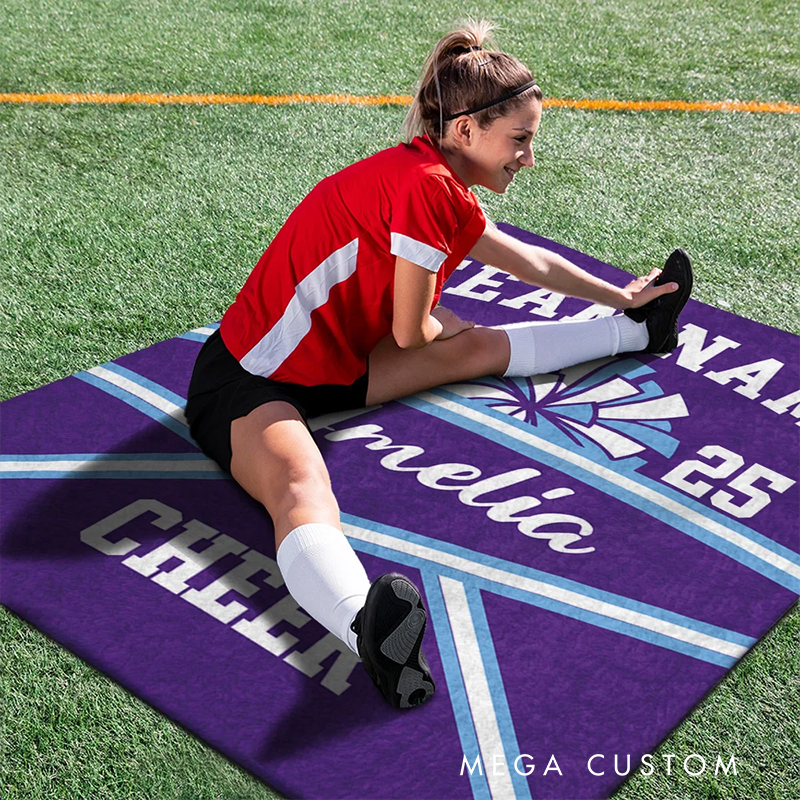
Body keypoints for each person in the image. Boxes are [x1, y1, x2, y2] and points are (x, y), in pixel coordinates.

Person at [184, 19, 693, 710]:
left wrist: (624, 295)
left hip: (336, 363)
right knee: (301, 487)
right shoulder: (426, 190)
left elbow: (528, 261)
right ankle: (365, 627)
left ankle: (638, 334)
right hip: (246, 382)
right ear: (465, 134)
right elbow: (410, 329)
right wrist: (438, 321)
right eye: (520, 140)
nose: (528, 158)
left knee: (476, 345)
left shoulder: (434, 179)